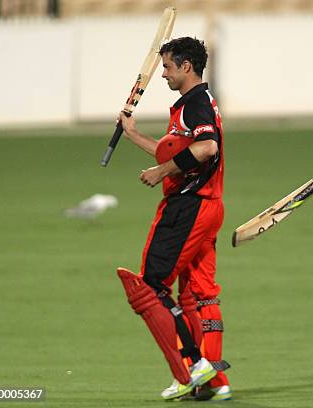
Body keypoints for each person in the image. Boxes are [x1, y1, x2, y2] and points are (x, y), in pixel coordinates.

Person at [117, 37, 231, 401]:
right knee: (197, 293)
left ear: (186, 66)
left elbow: (206, 147)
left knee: (150, 287)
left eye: (167, 66)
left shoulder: (195, 104)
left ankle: (193, 368)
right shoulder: (199, 102)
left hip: (189, 206)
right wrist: (133, 134)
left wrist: (160, 171)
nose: (163, 74)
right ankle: (213, 382)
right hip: (209, 204)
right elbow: (183, 150)